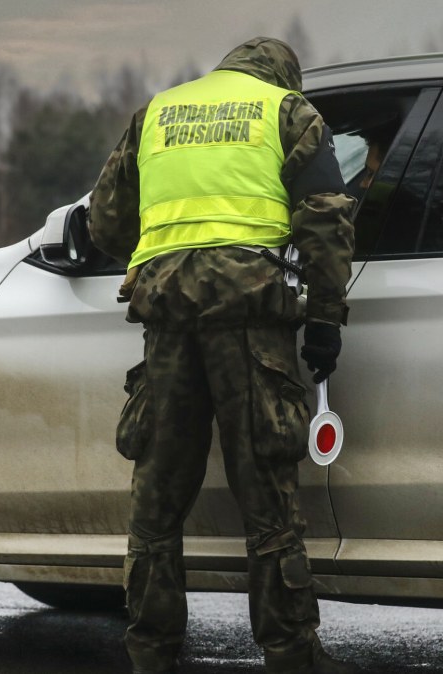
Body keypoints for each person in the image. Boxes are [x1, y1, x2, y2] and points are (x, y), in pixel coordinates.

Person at [88, 37, 358, 674]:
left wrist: (164, 253)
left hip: (167, 327)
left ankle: (150, 654)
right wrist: (324, 317)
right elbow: (325, 218)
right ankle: (291, 655)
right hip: (251, 325)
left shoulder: (159, 113)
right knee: (267, 499)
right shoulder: (288, 112)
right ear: (283, 75)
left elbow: (104, 223)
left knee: (155, 504)